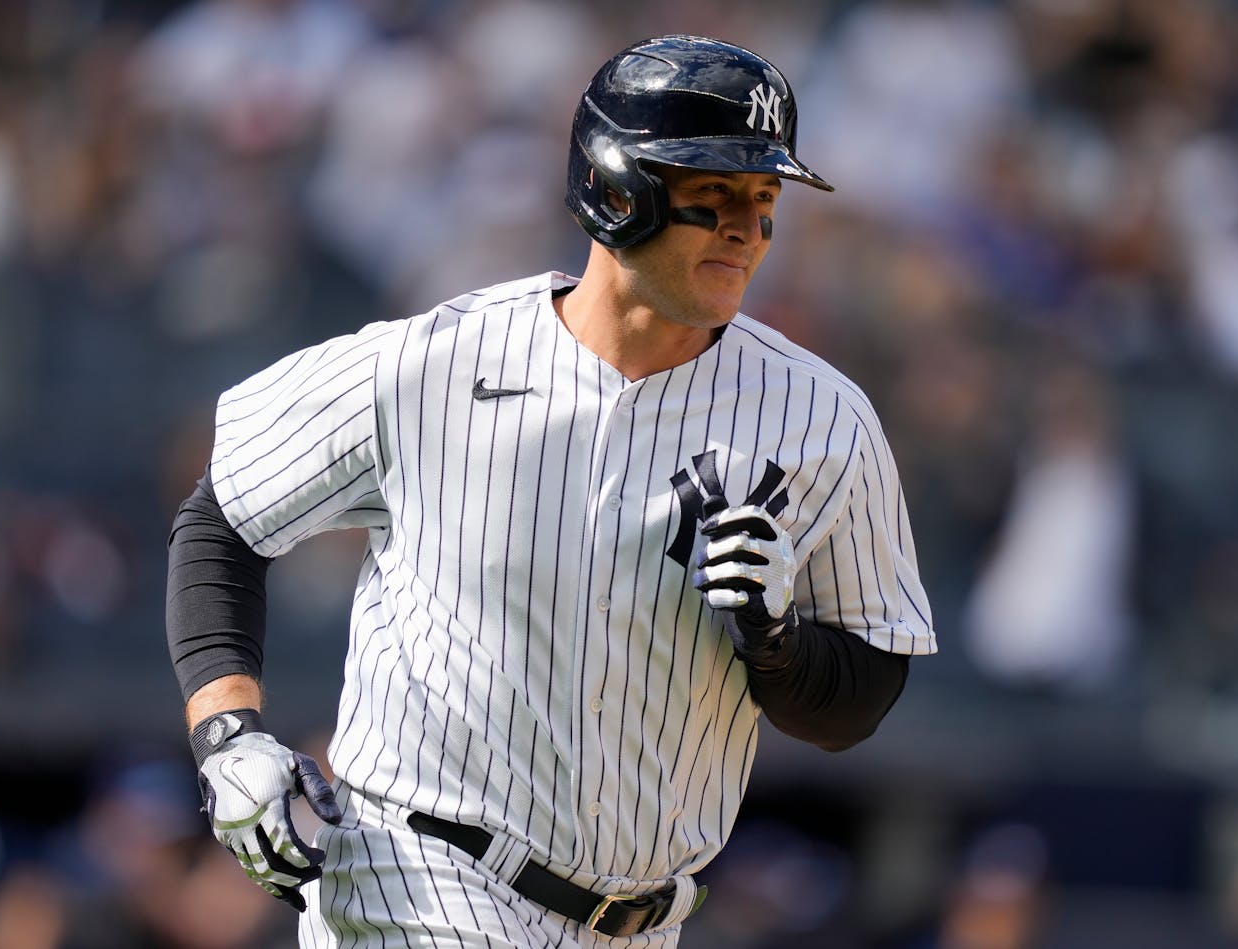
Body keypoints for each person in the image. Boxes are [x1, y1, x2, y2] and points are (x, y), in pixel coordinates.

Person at [166, 34, 936, 949]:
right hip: (415, 875)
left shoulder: (824, 421)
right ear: (616, 190)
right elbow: (222, 516)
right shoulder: (435, 363)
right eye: (714, 194)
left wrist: (776, 643)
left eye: (764, 200)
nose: (746, 227)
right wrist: (228, 734)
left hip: (645, 919)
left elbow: (859, 700)